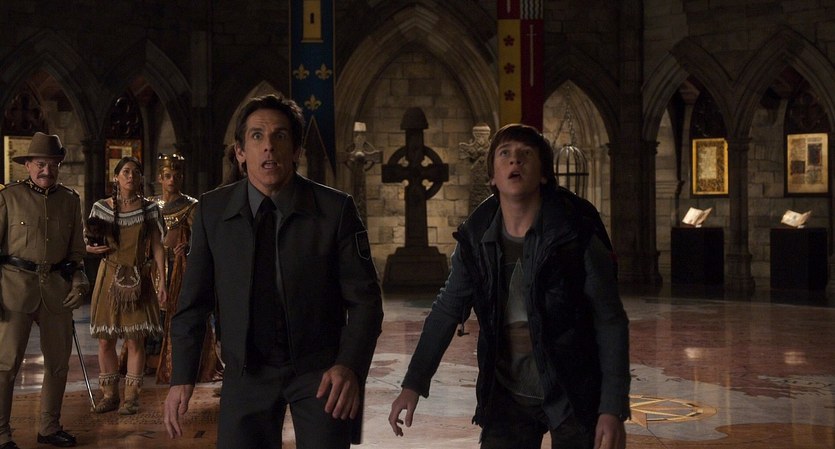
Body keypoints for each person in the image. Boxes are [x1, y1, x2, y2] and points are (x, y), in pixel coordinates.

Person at [389, 123, 631, 449]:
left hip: (573, 390)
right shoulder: (476, 238)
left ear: (543, 174)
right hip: (507, 395)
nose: (515, 161)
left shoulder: (575, 233)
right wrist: (414, 383)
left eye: (525, 154)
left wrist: (612, 408)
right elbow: (447, 309)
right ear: (492, 176)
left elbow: (610, 321)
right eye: (505, 154)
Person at [163, 93, 384, 449]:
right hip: (246, 372)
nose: (268, 146)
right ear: (240, 152)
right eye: (257, 136)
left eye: (280, 136)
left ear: (296, 150)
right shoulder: (212, 211)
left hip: (320, 371)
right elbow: (193, 303)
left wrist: (349, 366)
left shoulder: (335, 210)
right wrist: (181, 377)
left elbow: (366, 302)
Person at [0, 132, 89, 449]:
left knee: (58, 365)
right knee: (6, 365)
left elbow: (76, 252)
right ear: (27, 165)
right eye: (40, 164)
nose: (46, 171)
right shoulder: (8, 198)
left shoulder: (70, 200)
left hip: (56, 290)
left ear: (59, 166)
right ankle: (1, 433)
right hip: (14, 289)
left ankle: (49, 428)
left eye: (52, 164)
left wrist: (80, 279)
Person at [86, 156, 167, 415]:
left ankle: (131, 398)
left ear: (141, 178)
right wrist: (89, 247)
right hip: (109, 277)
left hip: (139, 278)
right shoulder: (101, 208)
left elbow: (158, 246)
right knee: (105, 340)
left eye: (136, 172)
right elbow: (88, 240)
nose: (131, 176)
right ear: (116, 177)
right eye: (126, 172)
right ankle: (109, 395)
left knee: (135, 341)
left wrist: (162, 281)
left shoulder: (150, 209)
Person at [153, 153, 222, 385]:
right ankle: (151, 361)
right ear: (160, 178)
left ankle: (182, 363)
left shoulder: (190, 206)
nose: (172, 180)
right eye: (167, 176)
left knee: (180, 314)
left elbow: (201, 238)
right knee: (154, 318)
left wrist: (189, 246)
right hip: (153, 267)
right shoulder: (153, 205)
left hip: (178, 267)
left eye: (176, 175)